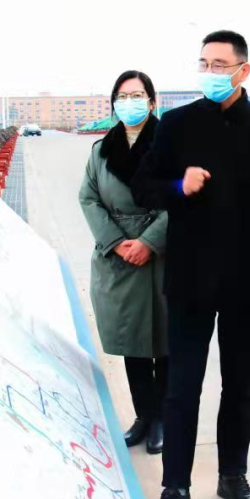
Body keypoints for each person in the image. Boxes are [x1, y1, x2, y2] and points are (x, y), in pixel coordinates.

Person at [132, 30, 250, 499]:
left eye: (219, 65)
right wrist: (178, 185)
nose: (209, 73)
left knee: (239, 384)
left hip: (247, 280)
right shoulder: (177, 124)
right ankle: (176, 486)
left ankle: (232, 475)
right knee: (182, 387)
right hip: (189, 278)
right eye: (204, 63)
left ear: (243, 71)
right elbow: (143, 187)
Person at [79, 71, 169, 455]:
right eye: (122, 95)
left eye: (137, 95)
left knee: (164, 342)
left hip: (163, 254)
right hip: (119, 257)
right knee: (133, 344)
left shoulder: (172, 146)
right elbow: (88, 198)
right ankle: (144, 416)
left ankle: (163, 418)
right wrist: (116, 242)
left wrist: (150, 241)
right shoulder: (101, 150)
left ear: (152, 101)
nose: (129, 102)